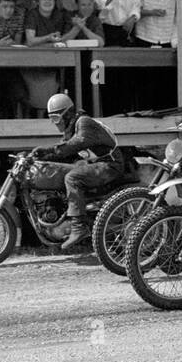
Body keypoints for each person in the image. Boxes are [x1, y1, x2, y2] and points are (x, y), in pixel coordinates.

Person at [30, 93, 125, 251]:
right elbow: (64, 148)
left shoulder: (84, 123)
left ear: (66, 114)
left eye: (55, 118)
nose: (54, 123)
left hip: (110, 165)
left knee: (72, 178)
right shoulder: (72, 127)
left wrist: (49, 149)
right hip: (96, 164)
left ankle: (78, 227)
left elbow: (75, 144)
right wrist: (41, 155)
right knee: (60, 172)